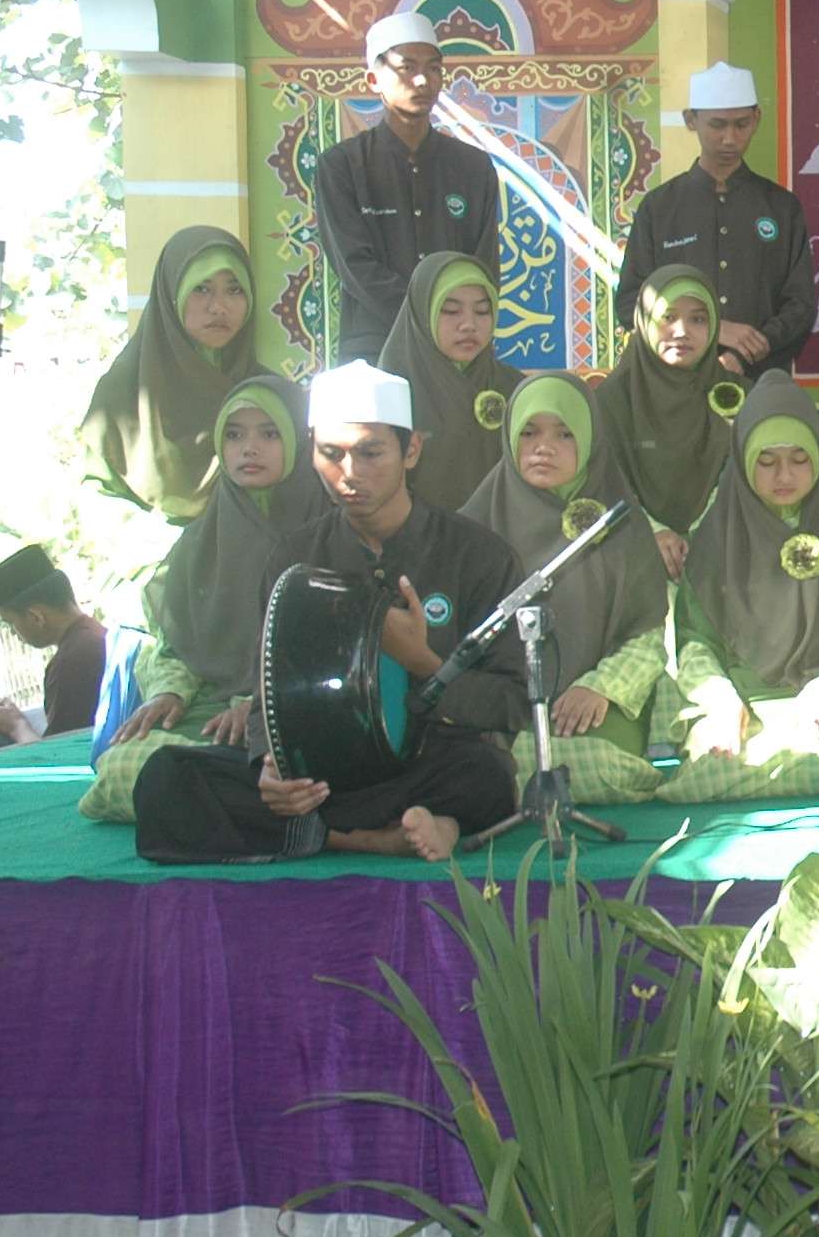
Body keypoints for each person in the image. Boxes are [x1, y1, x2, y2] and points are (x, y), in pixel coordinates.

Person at [130, 362, 527, 862]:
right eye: (331, 454)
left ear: (411, 450)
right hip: (320, 772)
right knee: (166, 778)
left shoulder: (478, 556)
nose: (350, 473)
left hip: (427, 759)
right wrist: (271, 765)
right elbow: (267, 693)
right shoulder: (295, 558)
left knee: (487, 775)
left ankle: (329, 832)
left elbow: (512, 703)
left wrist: (423, 662)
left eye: (370, 453)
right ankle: (368, 837)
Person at [82, 379, 327, 819]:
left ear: (298, 439)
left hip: (300, 712)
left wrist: (259, 705)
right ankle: (239, 802)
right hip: (212, 714)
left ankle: (239, 800)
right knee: (123, 766)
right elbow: (174, 641)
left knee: (293, 769)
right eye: (234, 435)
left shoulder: (328, 530)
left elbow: (335, 647)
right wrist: (169, 693)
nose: (249, 448)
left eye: (269, 433)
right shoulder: (201, 541)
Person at [662, 374, 819, 803]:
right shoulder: (715, 536)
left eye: (799, 459)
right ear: (742, 459)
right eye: (766, 461)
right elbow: (693, 641)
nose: (784, 475)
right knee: (713, 768)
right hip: (739, 705)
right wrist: (720, 702)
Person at [458, 373, 673, 804]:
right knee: (479, 766)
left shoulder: (622, 526)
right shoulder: (473, 527)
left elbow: (647, 634)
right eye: (529, 432)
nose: (544, 447)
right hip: (500, 709)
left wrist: (601, 686)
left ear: (591, 441)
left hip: (591, 708)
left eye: (565, 434)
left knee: (599, 769)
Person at [310, 12, 499, 361]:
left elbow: (483, 267)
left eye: (433, 68)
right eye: (407, 68)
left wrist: (452, 321)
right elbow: (355, 267)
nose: (422, 80)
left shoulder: (473, 168)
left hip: (457, 348)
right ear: (373, 79)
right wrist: (431, 315)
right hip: (375, 349)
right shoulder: (341, 166)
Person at [613, 61, 816, 380]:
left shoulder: (781, 207)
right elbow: (631, 303)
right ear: (691, 120)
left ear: (756, 119)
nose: (730, 139)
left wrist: (746, 353)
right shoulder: (659, 208)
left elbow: (800, 306)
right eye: (717, 125)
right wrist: (712, 328)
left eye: (741, 124)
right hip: (675, 385)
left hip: (760, 382)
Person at [79, 225, 276, 519]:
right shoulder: (122, 395)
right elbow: (97, 504)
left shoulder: (270, 397)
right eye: (202, 289)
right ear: (171, 293)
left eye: (234, 289)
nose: (218, 307)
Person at [593, 264, 740, 571]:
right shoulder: (611, 400)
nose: (682, 331)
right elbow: (601, 480)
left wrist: (703, 534)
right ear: (644, 322)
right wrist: (651, 532)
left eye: (697, 319)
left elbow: (745, 478)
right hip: (630, 557)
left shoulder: (738, 395)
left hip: (722, 556)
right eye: (668, 317)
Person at [377, 251, 520, 513]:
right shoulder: (386, 397)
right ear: (423, 313)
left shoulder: (513, 389)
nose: (469, 325)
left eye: (482, 311)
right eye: (451, 310)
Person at [0, 545, 108, 748]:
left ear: (36, 617)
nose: (14, 633)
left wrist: (16, 726)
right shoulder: (99, 636)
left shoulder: (71, 663)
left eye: (11, 623)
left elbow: (61, 758)